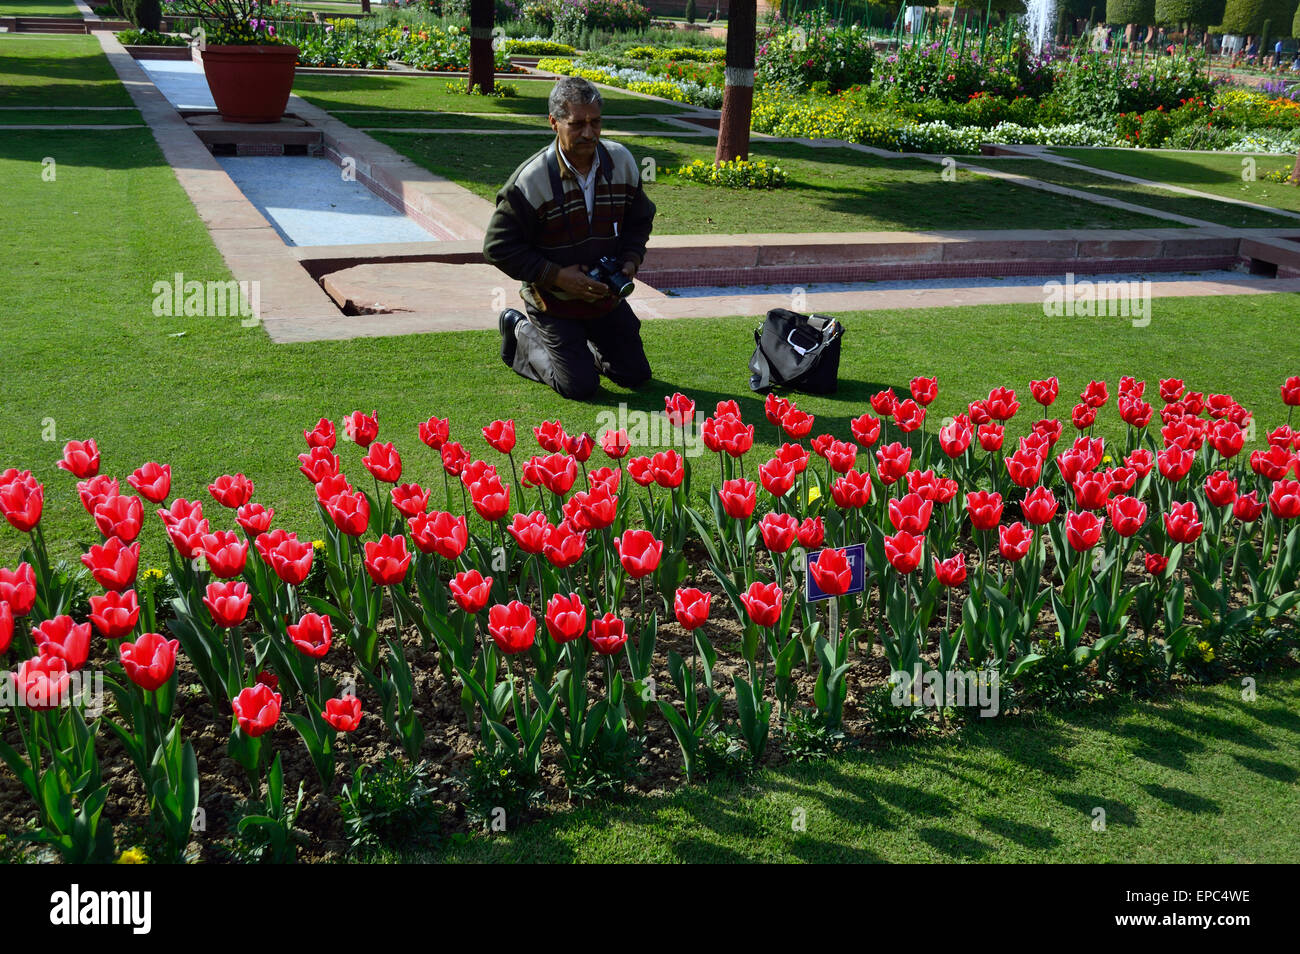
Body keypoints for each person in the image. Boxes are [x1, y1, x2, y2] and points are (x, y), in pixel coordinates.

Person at [482, 76, 655, 401]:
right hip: (553, 304)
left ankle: (582, 345)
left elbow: (640, 218)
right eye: (577, 124)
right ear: (554, 122)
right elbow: (497, 247)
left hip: (605, 300)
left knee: (634, 376)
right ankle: (521, 333)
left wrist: (631, 258)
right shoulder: (531, 180)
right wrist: (557, 276)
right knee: (580, 386)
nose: (588, 133)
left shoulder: (622, 162)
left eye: (595, 122)